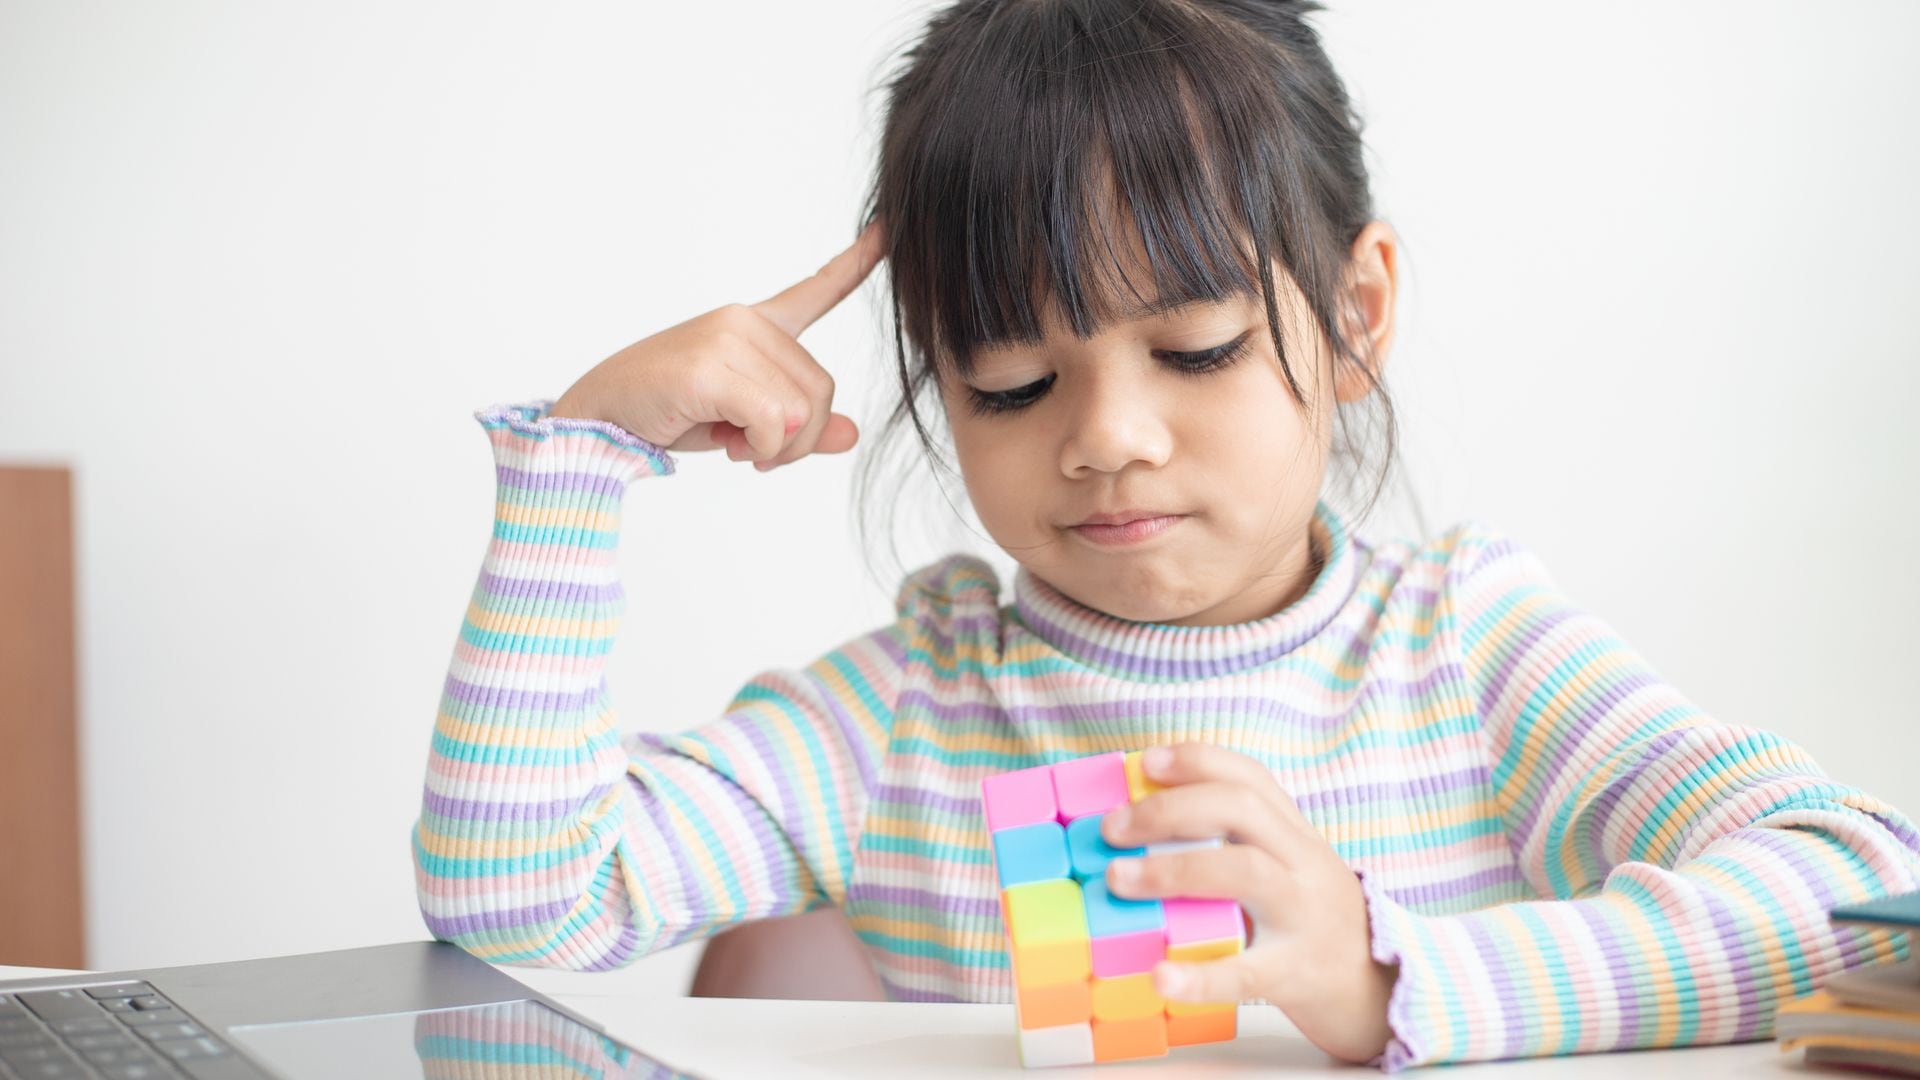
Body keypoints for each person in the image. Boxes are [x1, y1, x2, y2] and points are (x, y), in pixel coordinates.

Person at [410, 0, 1920, 1070]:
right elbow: (518, 889)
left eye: (1192, 349)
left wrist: (1385, 971)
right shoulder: (910, 715)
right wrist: (582, 465)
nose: (1106, 437)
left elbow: (1856, 895)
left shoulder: (1462, 652)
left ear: (1353, 318)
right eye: (1011, 380)